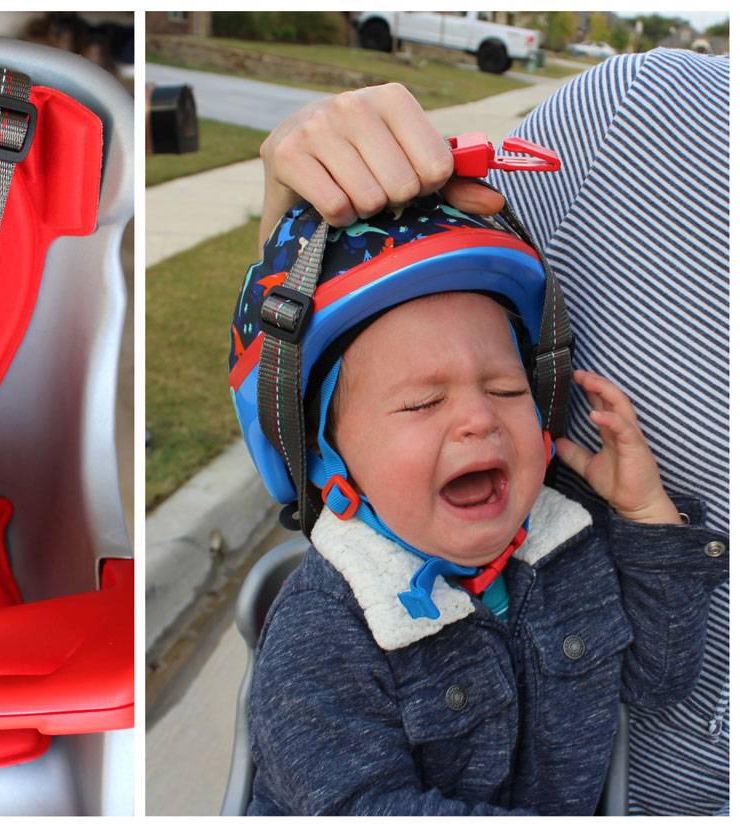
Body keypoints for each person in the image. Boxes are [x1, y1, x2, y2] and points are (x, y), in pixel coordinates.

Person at [253, 48, 728, 815]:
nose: (479, 418)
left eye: (507, 389)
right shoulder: (327, 626)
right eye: (420, 404)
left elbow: (659, 680)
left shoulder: (566, 549)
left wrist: (646, 518)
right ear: (327, 453)